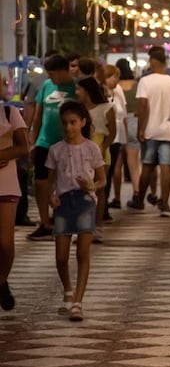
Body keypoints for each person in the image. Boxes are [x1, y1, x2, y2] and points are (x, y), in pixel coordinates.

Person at [47, 101, 106, 321]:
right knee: (61, 256)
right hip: (63, 203)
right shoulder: (56, 150)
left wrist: (91, 186)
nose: (69, 128)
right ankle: (68, 289)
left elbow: (102, 179)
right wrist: (51, 197)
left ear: (82, 122)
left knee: (82, 253)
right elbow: (50, 181)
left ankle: (78, 302)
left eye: (73, 122)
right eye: (65, 123)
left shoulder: (92, 148)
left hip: (84, 202)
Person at [128, 46, 170, 217]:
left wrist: (140, 129)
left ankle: (139, 200)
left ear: (153, 61)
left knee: (147, 165)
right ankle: (165, 203)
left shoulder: (145, 81)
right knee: (165, 166)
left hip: (150, 129)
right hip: (168, 130)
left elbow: (143, 106)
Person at [28, 54, 77, 240]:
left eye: (53, 73)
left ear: (65, 70)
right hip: (44, 142)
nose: (51, 77)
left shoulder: (75, 88)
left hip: (65, 143)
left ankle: (62, 219)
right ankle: (44, 222)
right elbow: (39, 114)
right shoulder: (47, 86)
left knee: (64, 182)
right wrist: (33, 140)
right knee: (40, 182)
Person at [75, 77, 115, 243]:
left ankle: (97, 225)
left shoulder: (107, 108)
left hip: (100, 149)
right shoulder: (78, 110)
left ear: (88, 90)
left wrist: (104, 147)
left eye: (79, 89)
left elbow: (112, 133)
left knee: (99, 188)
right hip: (80, 151)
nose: (77, 92)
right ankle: (83, 226)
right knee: (82, 189)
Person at [0, 104, 29, 310]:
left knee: (5, 242)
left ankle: (1, 280)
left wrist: (5, 154)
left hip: (6, 185)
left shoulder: (10, 113)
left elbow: (23, 146)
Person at [115, 59, 141, 207]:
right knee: (134, 163)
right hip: (135, 123)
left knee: (117, 163)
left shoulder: (115, 87)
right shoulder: (136, 85)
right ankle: (137, 193)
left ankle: (117, 198)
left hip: (120, 123)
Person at [103, 65, 127, 211]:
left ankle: (104, 205)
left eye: (117, 76)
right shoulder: (99, 92)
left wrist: (126, 138)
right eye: (113, 76)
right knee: (103, 172)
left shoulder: (118, 91)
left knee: (111, 171)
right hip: (103, 137)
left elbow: (123, 113)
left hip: (117, 136)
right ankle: (102, 206)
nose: (116, 79)